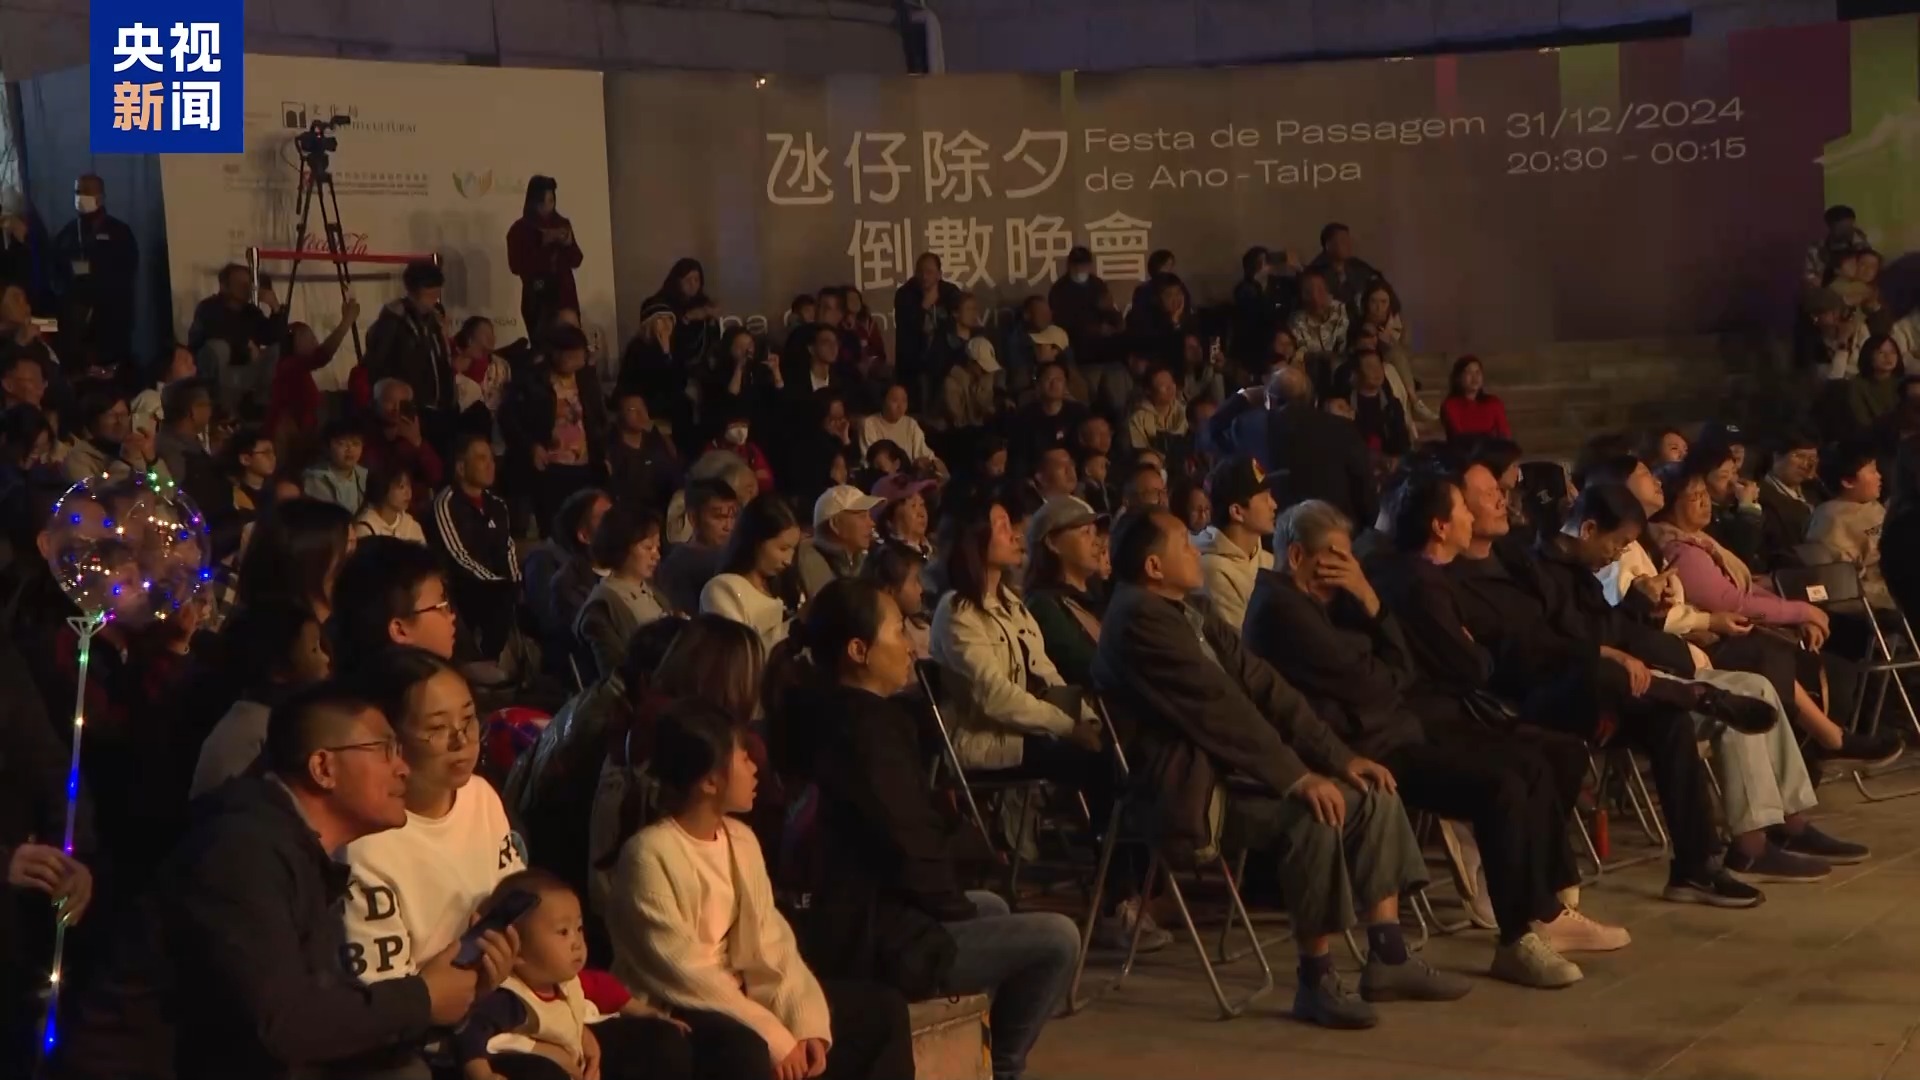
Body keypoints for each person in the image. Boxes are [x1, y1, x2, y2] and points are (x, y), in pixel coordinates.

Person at [1092, 509, 1469, 1028]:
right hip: (1183, 791)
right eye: (1183, 543)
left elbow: (1266, 686)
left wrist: (1340, 758)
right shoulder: (1138, 620)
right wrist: (1298, 777)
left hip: (1229, 771)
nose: (1195, 550)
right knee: (1314, 814)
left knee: (1373, 792)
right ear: (1154, 567)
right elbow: (1221, 708)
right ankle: (1316, 979)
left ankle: (1388, 956)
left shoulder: (1188, 609)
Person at [1246, 496, 1625, 987]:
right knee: (1502, 782)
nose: (1347, 570)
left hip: (1393, 730)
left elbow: (1396, 668)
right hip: (1363, 752)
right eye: (1335, 559)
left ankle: (1543, 910)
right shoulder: (1282, 610)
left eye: (1350, 559)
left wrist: (1370, 602)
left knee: (1534, 760)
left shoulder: (1330, 601)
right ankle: (1516, 939)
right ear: (1298, 556)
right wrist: (1376, 645)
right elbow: (1377, 682)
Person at [57, 681, 517, 1080]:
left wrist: (449, 1001)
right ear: (323, 768)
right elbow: (282, 1027)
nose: (403, 768)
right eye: (383, 750)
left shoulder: (294, 846)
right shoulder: (241, 851)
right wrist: (423, 999)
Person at [1377, 458, 1763, 908]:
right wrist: (1595, 652)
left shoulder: (1515, 558)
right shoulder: (1443, 579)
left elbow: (1569, 624)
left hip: (1571, 677)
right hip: (1516, 697)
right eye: (1481, 497)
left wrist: (1626, 619)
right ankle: (1696, 694)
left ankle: (1696, 867)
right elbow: (1505, 652)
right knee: (1602, 669)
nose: (1502, 500)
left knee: (1667, 718)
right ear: (1445, 518)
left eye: (1499, 491)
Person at [767, 579, 1080, 1079]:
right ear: (858, 651)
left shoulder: (834, 714)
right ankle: (1004, 1067)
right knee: (1058, 938)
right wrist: (951, 905)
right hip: (867, 934)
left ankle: (982, 1058)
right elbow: (909, 843)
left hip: (863, 911)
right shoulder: (864, 730)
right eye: (898, 631)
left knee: (993, 906)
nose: (912, 645)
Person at [1548, 483, 1867, 881]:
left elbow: (1615, 625)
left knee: (1758, 687)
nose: (1618, 552)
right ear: (1590, 528)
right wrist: (1657, 615)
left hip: (1663, 657)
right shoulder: (1561, 570)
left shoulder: (1604, 560)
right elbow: (1593, 638)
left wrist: (1646, 607)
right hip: (1623, 677)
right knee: (1738, 694)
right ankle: (1750, 844)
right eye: (1617, 543)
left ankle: (1790, 820)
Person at [612, 696, 915, 1080]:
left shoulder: (741, 839)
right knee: (748, 1050)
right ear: (709, 781)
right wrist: (773, 1033)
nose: (755, 768)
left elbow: (771, 942)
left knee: (882, 1012)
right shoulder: (648, 855)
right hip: (679, 1004)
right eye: (743, 758)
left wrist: (804, 1022)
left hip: (743, 996)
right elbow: (681, 970)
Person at [338, 649, 525, 1069]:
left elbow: (515, 902)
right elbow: (384, 1001)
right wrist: (464, 986)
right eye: (437, 728)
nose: (462, 740)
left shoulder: (481, 796)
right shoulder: (368, 846)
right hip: (423, 1041)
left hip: (504, 1003)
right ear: (391, 740)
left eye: (468, 719)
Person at [454, 868, 699, 1080]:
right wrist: (481, 1073)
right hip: (537, 1066)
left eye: (579, 928)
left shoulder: (567, 981)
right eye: (563, 932)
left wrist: (648, 1013)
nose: (577, 942)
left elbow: (605, 988)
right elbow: (470, 1031)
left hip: (579, 1058)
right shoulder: (511, 999)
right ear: (515, 947)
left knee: (662, 1040)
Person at [189, 599, 334, 796]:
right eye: (314, 649)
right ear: (278, 671)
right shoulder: (245, 732)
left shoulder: (278, 718)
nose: (326, 658)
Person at [505, 323, 608, 535]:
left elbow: (598, 417)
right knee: (554, 525)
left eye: (579, 355)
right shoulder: (534, 380)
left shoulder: (586, 378)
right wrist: (532, 446)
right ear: (555, 353)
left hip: (585, 464)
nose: (576, 360)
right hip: (551, 466)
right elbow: (511, 419)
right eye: (570, 355)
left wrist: (604, 452)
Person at [430, 433, 521, 659]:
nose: (490, 465)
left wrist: (514, 580)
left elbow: (507, 547)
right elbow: (458, 555)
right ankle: (485, 660)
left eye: (491, 458)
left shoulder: (497, 505)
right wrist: (496, 582)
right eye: (481, 458)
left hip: (497, 585)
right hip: (462, 585)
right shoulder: (447, 503)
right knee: (500, 598)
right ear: (461, 468)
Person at [1265, 364, 1375, 526]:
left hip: (1277, 530)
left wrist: (1244, 397)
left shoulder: (1251, 427)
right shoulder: (1343, 429)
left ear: (1271, 401)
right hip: (1337, 527)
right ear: (1314, 400)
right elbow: (1365, 490)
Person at [51, 173, 138, 368]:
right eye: (78, 191)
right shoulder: (67, 234)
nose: (81, 196)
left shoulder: (119, 232)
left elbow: (126, 273)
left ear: (100, 197)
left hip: (112, 321)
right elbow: (56, 274)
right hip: (76, 324)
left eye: (87, 192)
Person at [700, 492, 803, 653]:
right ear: (756, 542)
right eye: (783, 549)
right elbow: (739, 655)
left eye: (793, 549)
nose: (788, 560)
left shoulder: (788, 586)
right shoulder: (723, 589)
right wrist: (796, 626)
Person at [576, 504, 670, 679]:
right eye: (648, 547)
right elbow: (614, 674)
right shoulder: (602, 606)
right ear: (621, 547)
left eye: (657, 547)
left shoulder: (653, 592)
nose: (656, 555)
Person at [525, 487, 613, 666]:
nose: (617, 524)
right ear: (584, 535)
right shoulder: (554, 570)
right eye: (606, 517)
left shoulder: (630, 567)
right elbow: (554, 624)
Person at [366, 260, 457, 431]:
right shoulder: (393, 321)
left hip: (440, 407)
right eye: (430, 295)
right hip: (411, 409)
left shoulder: (434, 320)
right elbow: (377, 364)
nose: (434, 301)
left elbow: (442, 360)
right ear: (414, 291)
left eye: (436, 295)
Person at [187, 262, 289, 410]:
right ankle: (216, 407)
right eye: (240, 284)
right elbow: (216, 333)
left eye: (248, 284)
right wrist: (245, 345)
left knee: (275, 349)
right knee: (218, 347)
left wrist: (275, 308)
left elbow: (274, 336)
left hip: (246, 366)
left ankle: (260, 405)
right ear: (224, 286)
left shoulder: (251, 311)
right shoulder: (208, 307)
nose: (247, 288)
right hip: (216, 369)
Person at [1807, 440, 1893, 610]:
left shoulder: (1873, 506)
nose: (1879, 476)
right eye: (1872, 471)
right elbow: (1840, 580)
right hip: (1871, 595)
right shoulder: (1831, 519)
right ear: (1847, 481)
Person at [1194, 457, 1277, 631]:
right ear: (1237, 512)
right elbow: (1239, 640)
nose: (1274, 505)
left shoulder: (1269, 560)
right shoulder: (1213, 571)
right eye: (1265, 498)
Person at [267, 294, 359, 448]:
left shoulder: (295, 370)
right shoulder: (289, 367)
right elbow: (323, 355)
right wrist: (346, 322)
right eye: (309, 338)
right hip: (288, 442)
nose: (315, 343)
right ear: (295, 341)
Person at [506, 175, 585, 337]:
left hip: (564, 297)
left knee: (570, 341)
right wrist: (541, 242)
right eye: (542, 202)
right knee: (542, 344)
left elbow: (576, 259)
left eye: (551, 201)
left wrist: (568, 243)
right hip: (537, 298)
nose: (547, 207)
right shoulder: (520, 229)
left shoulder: (562, 223)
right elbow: (516, 265)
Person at [362, 377, 446, 512]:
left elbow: (436, 477)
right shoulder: (364, 433)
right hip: (375, 506)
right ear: (375, 403)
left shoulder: (415, 434)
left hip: (411, 509)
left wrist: (418, 443)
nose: (396, 408)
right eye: (389, 402)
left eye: (403, 404)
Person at [659, 477, 741, 614]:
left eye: (733, 517)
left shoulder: (733, 555)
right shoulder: (679, 565)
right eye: (719, 517)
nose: (729, 526)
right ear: (693, 518)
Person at [893, 252, 962, 410]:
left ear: (939, 274)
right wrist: (924, 305)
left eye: (929, 272)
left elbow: (959, 321)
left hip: (944, 358)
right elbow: (907, 331)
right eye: (920, 272)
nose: (924, 276)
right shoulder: (904, 294)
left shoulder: (950, 292)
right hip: (914, 358)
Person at [796, 484, 884, 599]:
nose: (872, 523)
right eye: (862, 516)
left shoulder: (861, 560)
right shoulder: (811, 563)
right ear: (835, 524)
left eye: (869, 516)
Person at [63, 386, 165, 485]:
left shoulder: (135, 450)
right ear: (93, 423)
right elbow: (97, 493)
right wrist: (124, 462)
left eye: (123, 415)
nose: (120, 422)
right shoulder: (78, 459)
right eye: (111, 416)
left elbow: (167, 491)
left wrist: (152, 461)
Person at [1756, 432, 1825, 570]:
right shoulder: (1759, 496)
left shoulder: (1816, 492)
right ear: (1776, 456)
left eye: (1813, 458)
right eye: (1799, 456)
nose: (1807, 465)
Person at [606, 387, 681, 513]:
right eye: (632, 409)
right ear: (618, 415)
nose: (641, 413)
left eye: (643, 407)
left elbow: (673, 476)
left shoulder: (657, 441)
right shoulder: (611, 449)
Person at [860, 539, 933, 657]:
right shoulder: (879, 644)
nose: (921, 589)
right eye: (915, 581)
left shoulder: (920, 629)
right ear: (890, 590)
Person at [1343, 349, 1415, 457]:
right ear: (1356, 373)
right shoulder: (1345, 406)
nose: (1376, 371)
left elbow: (1402, 443)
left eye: (1379, 366)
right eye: (1369, 367)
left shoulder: (1392, 405)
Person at [152, 375, 215, 491]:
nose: (210, 411)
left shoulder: (190, 444)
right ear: (193, 411)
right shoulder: (173, 453)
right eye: (207, 405)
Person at [302, 417, 368, 513]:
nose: (350, 449)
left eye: (356, 444)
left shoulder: (365, 475)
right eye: (342, 443)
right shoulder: (316, 478)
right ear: (328, 446)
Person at [940, 332, 1001, 434]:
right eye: (982, 369)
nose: (986, 372)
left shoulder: (984, 379)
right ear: (970, 362)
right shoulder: (952, 384)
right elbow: (958, 421)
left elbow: (987, 407)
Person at [1440, 355, 1511, 439]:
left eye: (1478, 372)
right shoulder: (1451, 405)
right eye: (1469, 372)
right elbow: (1458, 437)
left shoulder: (1494, 403)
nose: (1475, 377)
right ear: (1458, 378)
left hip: (1491, 447)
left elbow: (1505, 435)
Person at [355, 464, 428, 544]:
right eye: (401, 487)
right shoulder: (366, 528)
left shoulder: (411, 526)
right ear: (383, 488)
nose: (408, 493)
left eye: (409, 486)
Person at [872, 472, 936, 560]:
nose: (921, 514)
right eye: (913, 506)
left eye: (922, 504)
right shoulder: (888, 560)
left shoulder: (938, 549)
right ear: (889, 519)